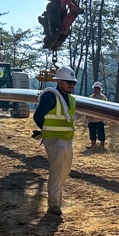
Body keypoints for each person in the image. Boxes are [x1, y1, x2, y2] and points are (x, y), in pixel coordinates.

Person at [33, 66, 78, 217]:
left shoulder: (71, 100)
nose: (71, 85)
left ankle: (57, 198)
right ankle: (54, 203)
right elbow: (38, 116)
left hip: (67, 139)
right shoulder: (50, 96)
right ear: (59, 81)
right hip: (53, 139)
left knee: (65, 170)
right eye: (68, 82)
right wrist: (45, 132)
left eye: (73, 83)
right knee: (57, 169)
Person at [86, 81, 107, 150]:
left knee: (101, 132)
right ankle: (93, 145)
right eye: (94, 88)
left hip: (99, 119)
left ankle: (102, 146)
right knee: (92, 132)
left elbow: (106, 107)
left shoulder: (103, 98)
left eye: (97, 88)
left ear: (100, 89)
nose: (95, 89)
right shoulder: (91, 97)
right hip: (91, 119)